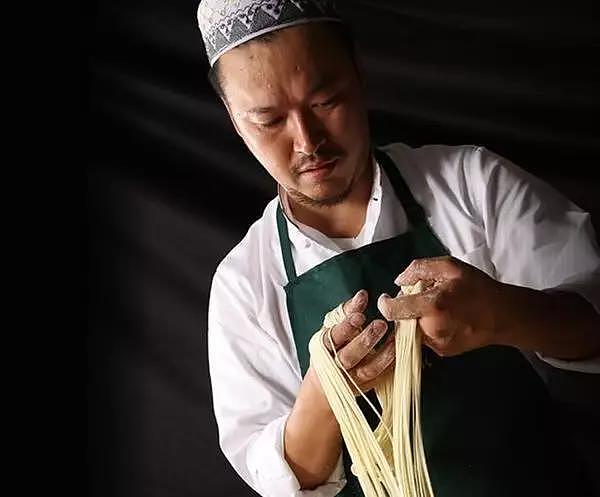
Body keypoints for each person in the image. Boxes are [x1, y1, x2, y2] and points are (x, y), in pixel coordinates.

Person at [196, 2, 600, 496]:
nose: (307, 141)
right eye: (269, 120)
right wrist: (326, 393)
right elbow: (280, 482)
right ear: (235, 122)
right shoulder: (244, 285)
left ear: (358, 76)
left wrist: (501, 313)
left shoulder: (471, 186)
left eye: (325, 101)